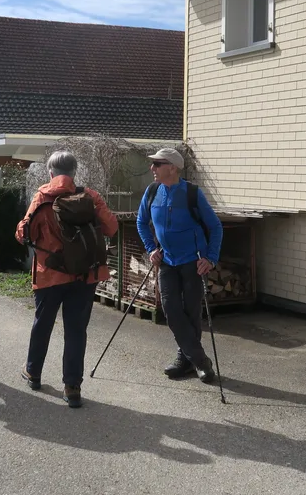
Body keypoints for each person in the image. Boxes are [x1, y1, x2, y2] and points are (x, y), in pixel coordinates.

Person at [15, 150, 118, 407]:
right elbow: (112, 227)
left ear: (50, 172)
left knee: (43, 324)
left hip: (50, 274)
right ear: (74, 172)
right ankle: (72, 387)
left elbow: (23, 233)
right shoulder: (90, 196)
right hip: (85, 274)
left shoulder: (43, 196)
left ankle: (33, 372)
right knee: (76, 330)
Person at [136, 147, 224, 384]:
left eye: (157, 164)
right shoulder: (152, 191)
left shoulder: (192, 194)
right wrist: (151, 248)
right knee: (171, 310)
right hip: (166, 260)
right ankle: (200, 361)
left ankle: (185, 360)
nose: (152, 168)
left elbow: (215, 227)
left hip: (194, 262)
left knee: (191, 312)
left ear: (172, 168)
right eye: (153, 164)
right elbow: (141, 222)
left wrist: (211, 258)